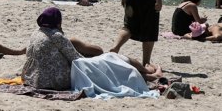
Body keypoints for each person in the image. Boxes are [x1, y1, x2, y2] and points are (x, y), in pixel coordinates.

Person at [21, 7, 161, 90]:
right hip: (55, 81)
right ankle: (149, 73)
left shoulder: (36, 33)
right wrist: (99, 62)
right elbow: (77, 59)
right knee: (111, 61)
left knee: (109, 63)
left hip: (33, 78)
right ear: (58, 22)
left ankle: (147, 73)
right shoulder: (57, 36)